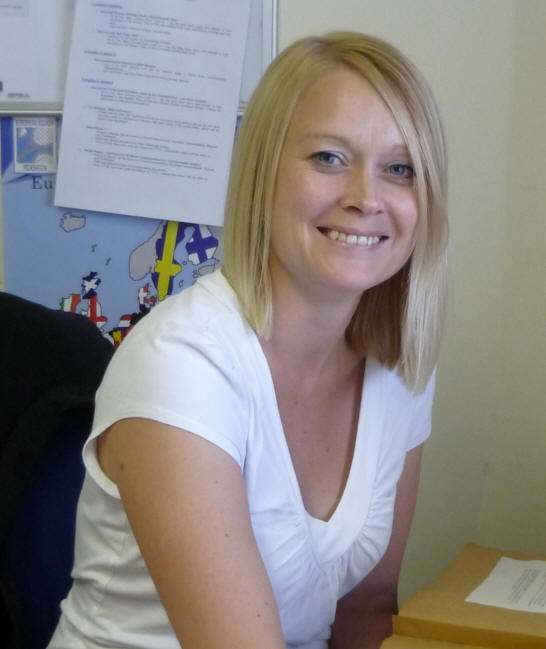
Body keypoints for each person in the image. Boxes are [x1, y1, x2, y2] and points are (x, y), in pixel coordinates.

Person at [48, 31, 448, 649]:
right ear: (263, 173)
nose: (367, 198)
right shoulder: (182, 364)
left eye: (400, 169)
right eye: (329, 158)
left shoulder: (400, 365)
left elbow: (367, 609)